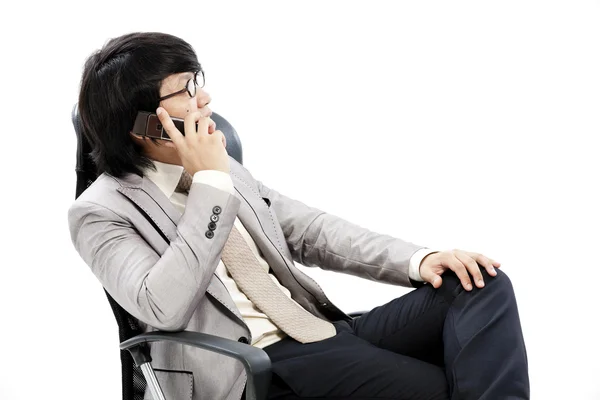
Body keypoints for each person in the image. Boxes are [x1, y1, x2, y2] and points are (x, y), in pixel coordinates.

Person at [69, 32, 529, 400]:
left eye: (198, 79)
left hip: (318, 331)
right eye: (185, 89)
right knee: (447, 386)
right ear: (142, 124)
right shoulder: (100, 212)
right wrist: (208, 186)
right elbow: (161, 306)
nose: (205, 97)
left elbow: (310, 231)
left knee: (479, 285)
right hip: (252, 366)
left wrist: (420, 260)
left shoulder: (223, 165)